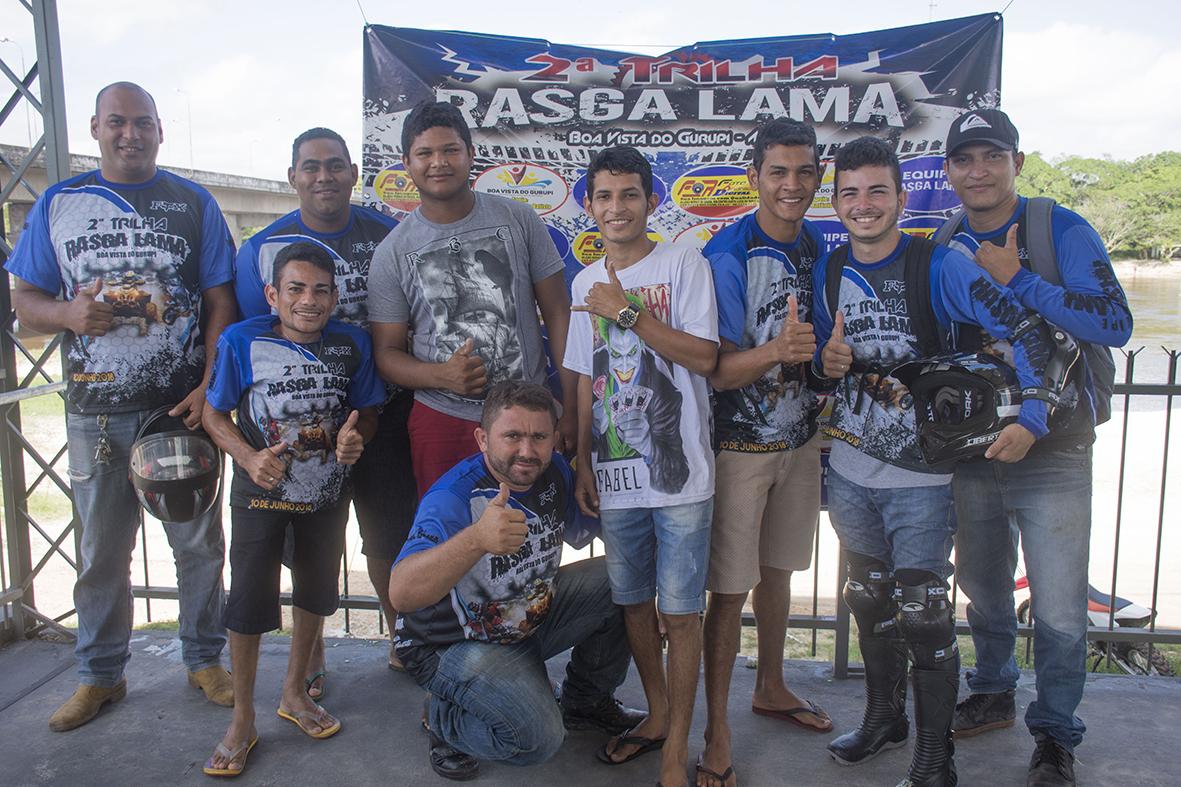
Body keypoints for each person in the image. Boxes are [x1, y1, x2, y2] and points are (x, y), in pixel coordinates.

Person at [811, 136, 1073, 787]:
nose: (863, 204)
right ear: (835, 201)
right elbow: (822, 364)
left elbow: (1027, 331)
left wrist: (1034, 416)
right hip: (848, 470)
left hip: (923, 479)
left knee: (925, 614)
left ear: (901, 197)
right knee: (868, 601)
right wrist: (823, 364)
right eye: (849, 192)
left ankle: (935, 759)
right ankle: (883, 718)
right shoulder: (829, 267)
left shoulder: (939, 264)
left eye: (877, 191)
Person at [5, 81, 238, 731]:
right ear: (95, 128)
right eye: (116, 122)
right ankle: (100, 675)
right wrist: (66, 311)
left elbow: (222, 300)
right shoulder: (59, 203)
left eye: (141, 122)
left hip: (179, 409)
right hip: (96, 412)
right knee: (102, 550)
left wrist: (209, 384)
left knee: (197, 544)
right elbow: (25, 301)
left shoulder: (194, 203)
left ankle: (204, 659)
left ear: (160, 131)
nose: (129, 133)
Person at [936, 109, 1132, 787]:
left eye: (991, 156)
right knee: (985, 591)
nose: (978, 170)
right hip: (976, 449)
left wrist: (1018, 277)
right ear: (949, 171)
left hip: (1055, 452)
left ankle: (1054, 733)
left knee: (1055, 609)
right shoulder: (946, 240)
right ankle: (992, 687)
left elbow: (1114, 322)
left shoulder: (1058, 228)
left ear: (1016, 161)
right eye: (964, 159)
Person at [388, 381, 643, 781]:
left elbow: (588, 531)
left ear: (554, 440)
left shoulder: (555, 470)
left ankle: (585, 701)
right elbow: (402, 593)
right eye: (512, 436)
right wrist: (475, 540)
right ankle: (444, 718)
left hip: (526, 620)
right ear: (483, 439)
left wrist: (649, 604)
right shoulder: (454, 497)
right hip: (451, 644)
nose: (527, 450)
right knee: (538, 739)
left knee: (625, 581)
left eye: (538, 437)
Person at [234, 127, 416, 684]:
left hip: (378, 412)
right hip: (298, 427)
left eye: (335, 165)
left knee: (388, 533)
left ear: (353, 173)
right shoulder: (260, 250)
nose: (323, 176)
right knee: (307, 541)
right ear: (292, 177)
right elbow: (255, 337)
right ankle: (309, 658)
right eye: (310, 166)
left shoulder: (390, 234)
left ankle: (399, 636)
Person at [565, 145, 719, 787]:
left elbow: (706, 357)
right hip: (616, 476)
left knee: (681, 615)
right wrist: (580, 459)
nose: (617, 207)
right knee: (633, 606)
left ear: (651, 202)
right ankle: (656, 717)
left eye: (629, 194)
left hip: (681, 478)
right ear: (590, 206)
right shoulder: (583, 282)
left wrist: (626, 311)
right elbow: (581, 373)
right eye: (605, 196)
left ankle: (678, 751)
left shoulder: (683, 263)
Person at [201, 242, 385, 776]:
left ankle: (295, 694)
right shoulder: (242, 340)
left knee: (315, 593)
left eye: (321, 290)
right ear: (272, 295)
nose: (309, 300)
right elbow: (214, 417)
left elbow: (366, 413)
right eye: (297, 289)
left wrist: (356, 441)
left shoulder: (352, 344)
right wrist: (248, 456)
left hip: (326, 494)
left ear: (335, 296)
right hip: (259, 493)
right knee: (249, 604)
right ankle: (241, 720)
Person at [698, 118, 830, 787]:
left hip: (800, 441)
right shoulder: (727, 251)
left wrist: (825, 364)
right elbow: (716, 368)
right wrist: (775, 352)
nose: (791, 184)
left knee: (778, 572)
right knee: (727, 592)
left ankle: (771, 684)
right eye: (777, 171)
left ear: (817, 177)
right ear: (752, 176)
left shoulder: (818, 245)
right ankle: (717, 728)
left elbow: (824, 350)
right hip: (738, 448)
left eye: (804, 171)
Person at [367, 101, 578, 497]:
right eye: (425, 153)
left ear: (470, 154)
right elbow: (387, 353)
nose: (438, 163)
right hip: (443, 418)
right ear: (406, 163)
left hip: (529, 415)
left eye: (450, 150)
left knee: (531, 537)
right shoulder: (393, 252)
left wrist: (572, 407)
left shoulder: (519, 219)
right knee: (449, 542)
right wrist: (440, 375)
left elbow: (558, 313)